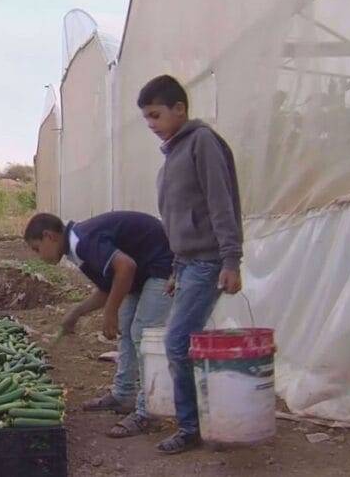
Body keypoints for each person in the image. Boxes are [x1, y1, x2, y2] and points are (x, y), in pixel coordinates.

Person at [138, 74, 244, 454]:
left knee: (178, 341)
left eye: (156, 115)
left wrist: (231, 259)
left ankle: (189, 427)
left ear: (179, 109)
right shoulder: (175, 152)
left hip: (208, 261)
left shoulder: (201, 143)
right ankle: (200, 418)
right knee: (181, 341)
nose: (151, 125)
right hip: (188, 264)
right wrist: (175, 268)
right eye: (146, 118)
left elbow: (221, 203)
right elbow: (181, 214)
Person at [24, 211, 173, 438]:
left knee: (142, 333)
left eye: (37, 248)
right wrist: (76, 313)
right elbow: (107, 288)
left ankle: (147, 413)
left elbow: (126, 267)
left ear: (49, 236)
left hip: (161, 265)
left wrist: (110, 313)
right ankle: (123, 395)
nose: (39, 256)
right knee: (128, 331)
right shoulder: (77, 247)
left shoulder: (82, 242)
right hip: (143, 270)